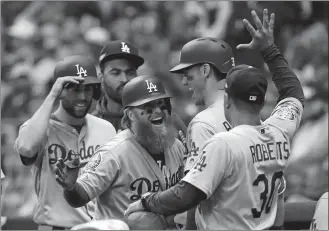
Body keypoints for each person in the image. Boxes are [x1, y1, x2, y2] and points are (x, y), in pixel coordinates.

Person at [125, 9, 305, 230]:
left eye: (188, 75)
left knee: (138, 220)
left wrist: (147, 201)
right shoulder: (277, 131)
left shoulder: (207, 127)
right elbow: (294, 94)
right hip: (264, 224)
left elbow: (190, 196)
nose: (184, 82)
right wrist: (269, 49)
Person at [54, 75, 186, 228]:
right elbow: (79, 197)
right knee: (140, 219)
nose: (158, 111)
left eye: (161, 104)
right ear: (130, 114)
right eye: (149, 106)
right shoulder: (114, 152)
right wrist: (70, 187)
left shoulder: (176, 146)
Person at [14, 55, 117, 230]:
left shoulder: (105, 128)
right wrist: (52, 95)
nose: (83, 96)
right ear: (60, 90)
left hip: (97, 226)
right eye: (75, 89)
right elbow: (26, 149)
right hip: (56, 226)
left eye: (88, 89)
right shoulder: (41, 128)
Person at [169, 37, 235, 229]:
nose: (183, 82)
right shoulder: (250, 113)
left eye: (187, 74)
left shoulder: (203, 123)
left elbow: (193, 193)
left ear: (205, 70)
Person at [93, 40, 187, 136]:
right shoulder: (90, 124)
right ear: (101, 77)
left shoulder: (163, 117)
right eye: (116, 73)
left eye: (130, 72)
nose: (124, 79)